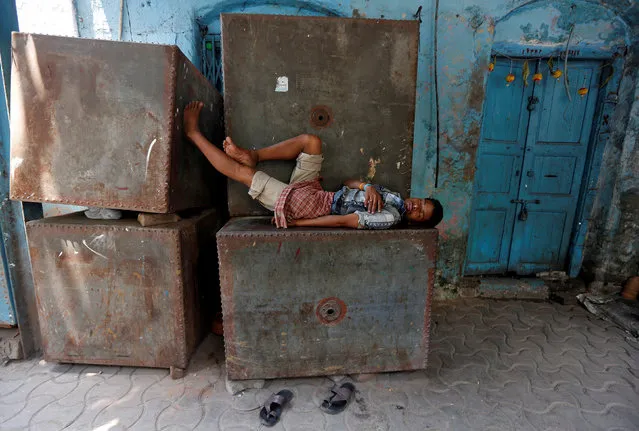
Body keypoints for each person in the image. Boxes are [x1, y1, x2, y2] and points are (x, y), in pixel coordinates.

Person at [184, 101, 443, 229]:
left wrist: (298, 224)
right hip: (319, 194)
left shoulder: (390, 217)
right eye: (421, 202)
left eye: (421, 213)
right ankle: (256, 154)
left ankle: (193, 133)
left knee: (244, 174)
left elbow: (344, 222)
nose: (416, 206)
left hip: (308, 208)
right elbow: (347, 184)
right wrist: (368, 186)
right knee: (312, 142)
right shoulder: (394, 198)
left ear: (416, 222)